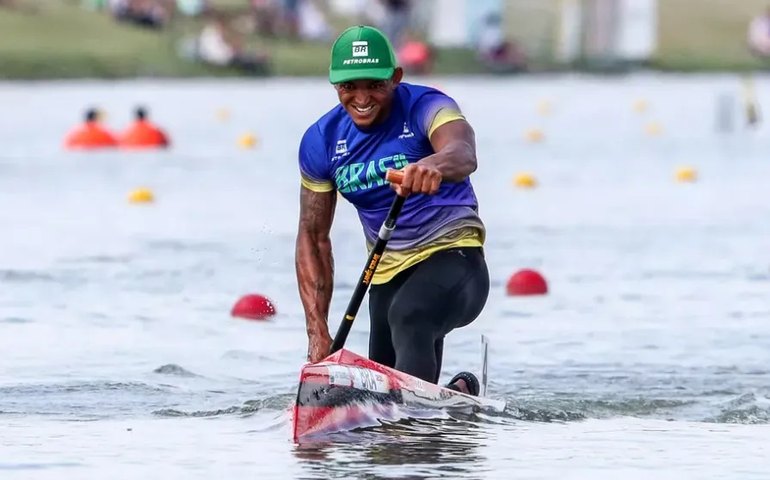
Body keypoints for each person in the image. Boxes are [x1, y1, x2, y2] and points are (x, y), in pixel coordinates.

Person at [295, 25, 488, 395]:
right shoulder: (321, 141)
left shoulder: (427, 106)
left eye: (374, 85)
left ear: (395, 77)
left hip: (455, 258)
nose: (362, 97)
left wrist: (432, 165)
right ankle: (454, 395)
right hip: (385, 275)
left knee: (410, 315)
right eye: (349, 87)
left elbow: (463, 152)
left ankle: (409, 420)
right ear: (334, 85)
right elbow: (313, 237)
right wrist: (317, 332)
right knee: (383, 377)